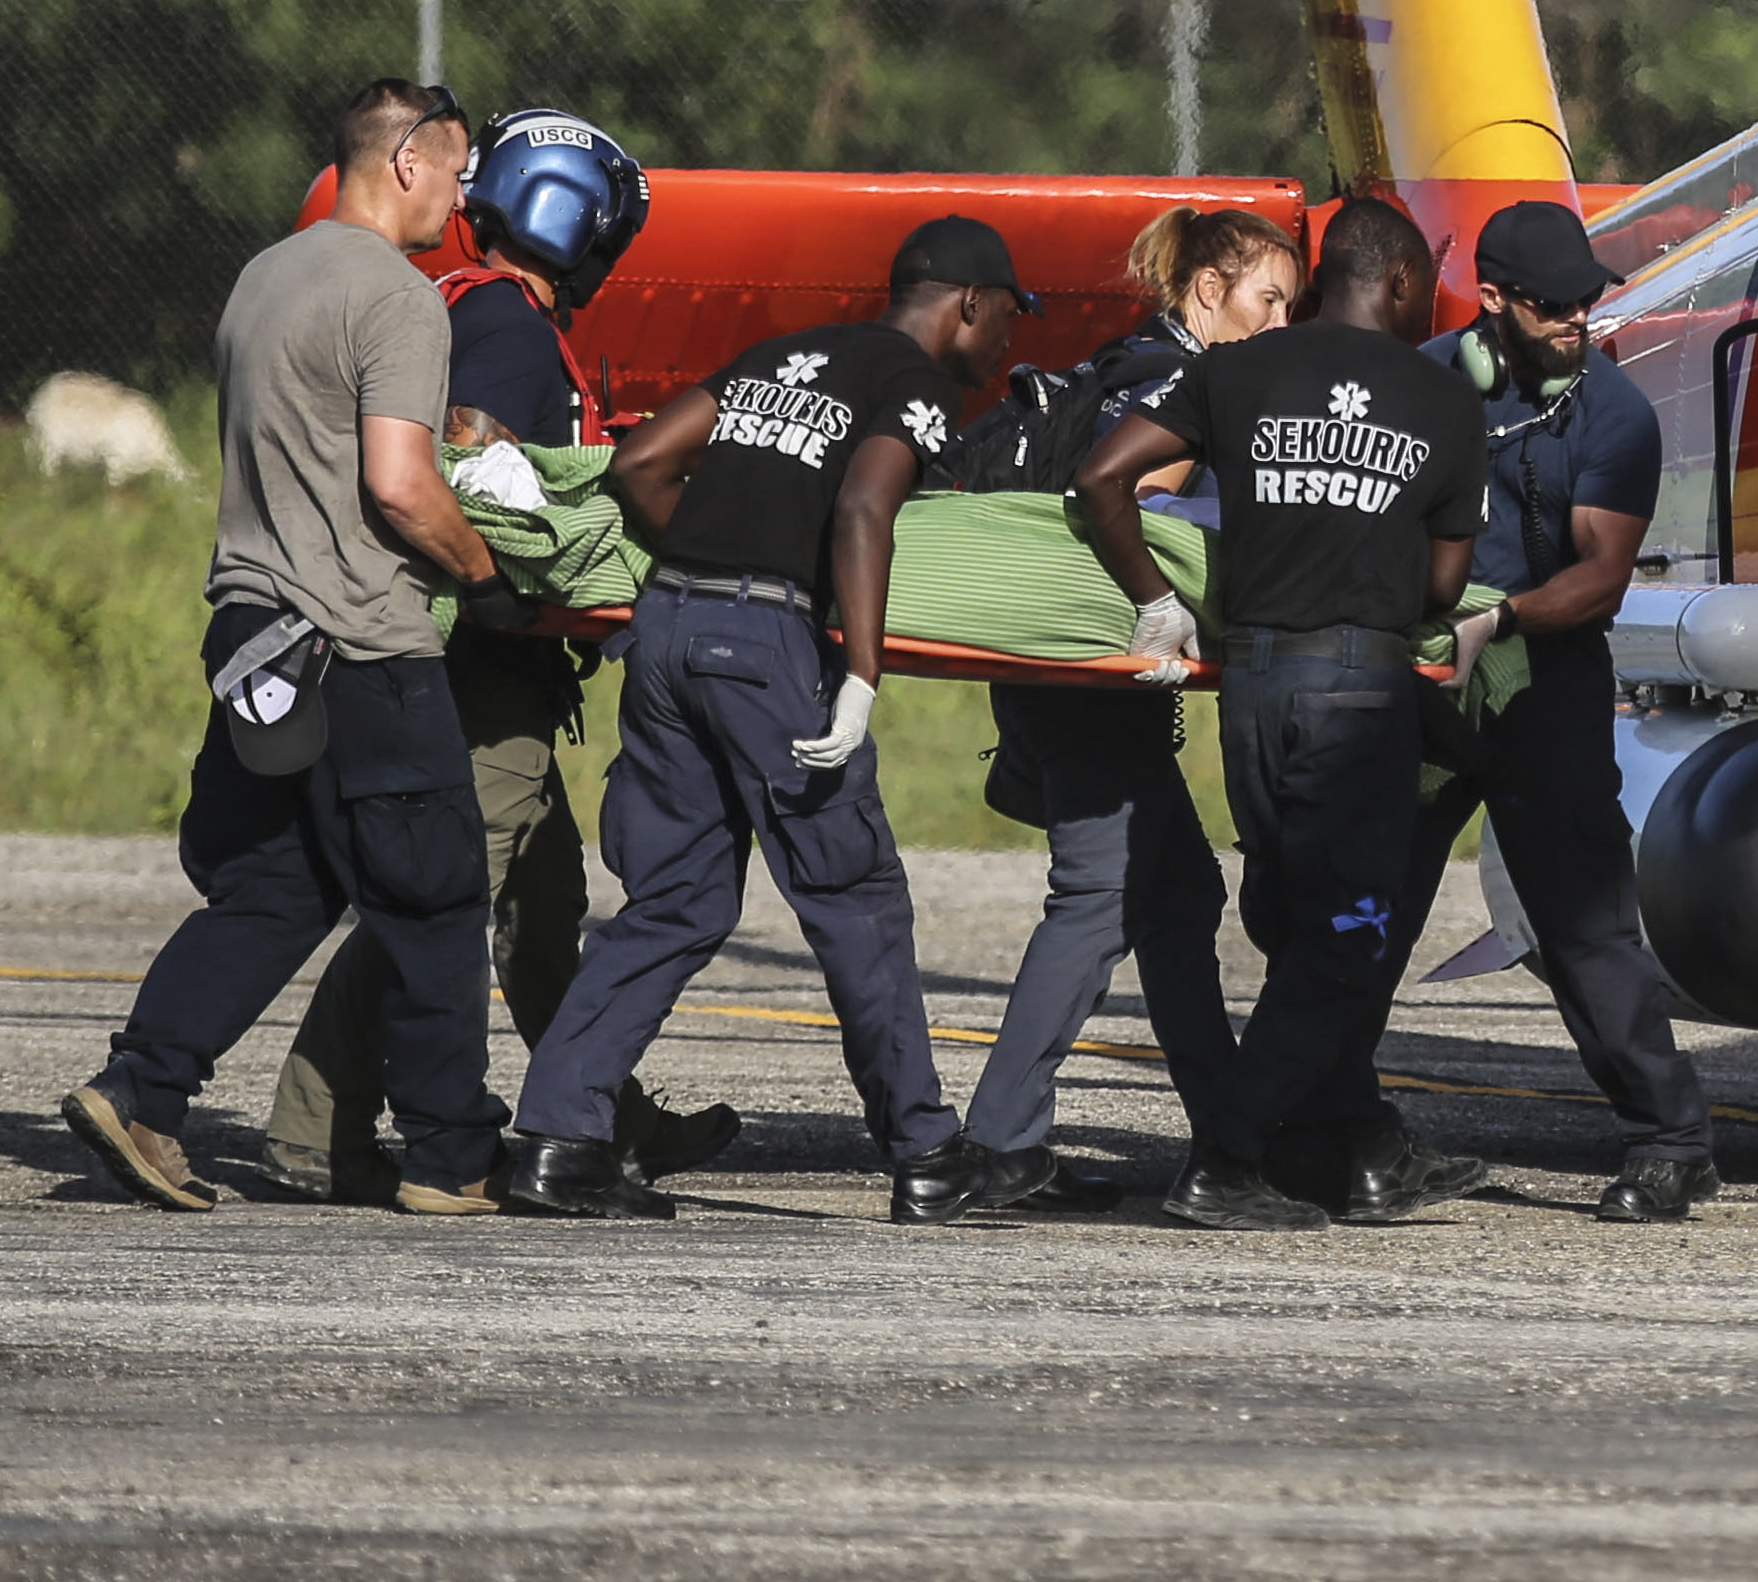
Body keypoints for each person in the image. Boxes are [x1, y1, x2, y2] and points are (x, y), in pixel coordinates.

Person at [60, 80, 533, 1214]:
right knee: (432, 897)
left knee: (277, 886)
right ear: (408, 159)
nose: (461, 201)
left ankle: (141, 1091)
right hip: (362, 643)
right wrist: (487, 578)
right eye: (457, 174)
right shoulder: (401, 298)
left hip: (253, 637)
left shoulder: (263, 276)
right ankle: (449, 1155)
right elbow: (397, 483)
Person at [500, 216, 1024, 1224]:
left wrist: (701, 571)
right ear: (966, 302)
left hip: (663, 637)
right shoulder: (911, 382)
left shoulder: (778, 356)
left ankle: (558, 1141)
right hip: (765, 649)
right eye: (1006, 314)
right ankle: (925, 1152)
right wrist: (858, 668)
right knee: (853, 898)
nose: (1009, 340)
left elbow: (641, 461)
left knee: (675, 902)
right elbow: (864, 510)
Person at [263, 107, 736, 1203]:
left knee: (543, 903)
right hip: (482, 659)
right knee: (438, 898)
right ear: (575, 216)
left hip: (492, 665)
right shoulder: (511, 333)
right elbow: (475, 467)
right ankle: (310, 1125)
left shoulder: (470, 308)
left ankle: (604, 1115)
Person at [1074, 192, 1484, 1234]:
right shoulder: (1440, 401)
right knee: (1347, 936)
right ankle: (1226, 1157)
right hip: (1356, 686)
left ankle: (1364, 1150)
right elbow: (1443, 587)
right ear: (1397, 282)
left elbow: (1103, 477)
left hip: (1249, 690)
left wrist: (1156, 600)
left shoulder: (1232, 370)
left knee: (1298, 922)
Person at [954, 205, 1304, 1217]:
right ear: (1207, 293)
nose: (1280, 325)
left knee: (1180, 897)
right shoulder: (1179, 382)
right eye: (1266, 301)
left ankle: (1225, 1148)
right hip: (1100, 671)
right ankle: (999, 1147)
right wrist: (1173, 593)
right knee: (1098, 895)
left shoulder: (1123, 362)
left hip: (1059, 663)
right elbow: (1138, 499)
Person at [1418, 199, 1720, 1226]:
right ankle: (1318, 1118)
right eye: (1552, 305)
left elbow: (1598, 578)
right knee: (1355, 905)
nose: (1575, 319)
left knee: (1586, 925)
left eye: (1586, 300)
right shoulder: (1419, 386)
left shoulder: (1614, 412)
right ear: (1491, 298)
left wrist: (1494, 620)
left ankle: (1669, 1139)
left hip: (1541, 683)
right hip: (1419, 684)